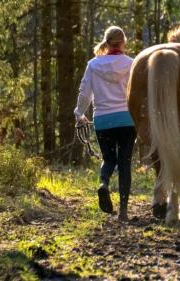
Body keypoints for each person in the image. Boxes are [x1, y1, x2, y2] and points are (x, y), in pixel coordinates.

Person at [74, 26, 135, 221]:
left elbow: (85, 92)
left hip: (103, 120)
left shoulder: (93, 64)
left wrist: (79, 113)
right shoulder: (131, 64)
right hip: (126, 120)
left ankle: (103, 184)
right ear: (123, 42)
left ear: (106, 42)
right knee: (124, 162)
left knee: (109, 159)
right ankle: (123, 212)